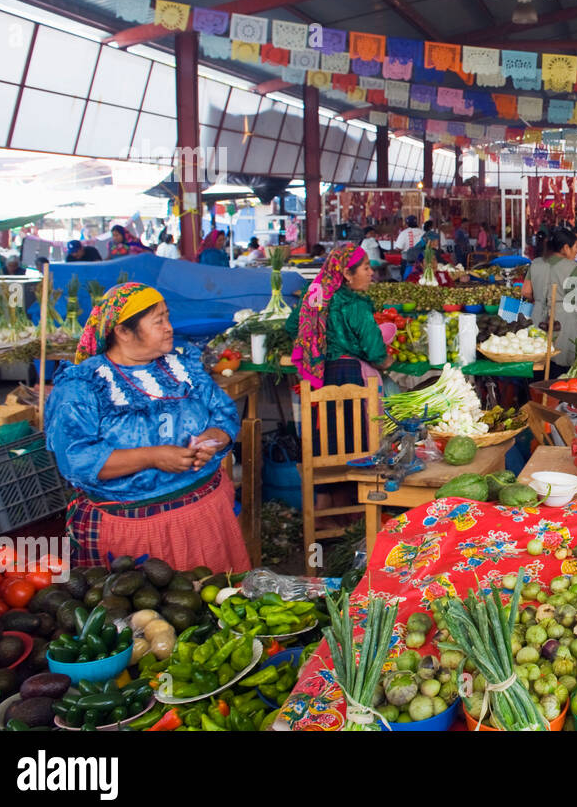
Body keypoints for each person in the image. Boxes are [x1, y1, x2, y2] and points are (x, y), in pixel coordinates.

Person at [44, 283, 249, 571]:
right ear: (123, 332)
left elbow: (223, 412)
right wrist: (153, 457)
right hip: (133, 535)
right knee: (147, 612)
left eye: (168, 317)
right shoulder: (83, 387)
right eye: (158, 321)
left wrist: (213, 439)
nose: (169, 328)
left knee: (216, 603)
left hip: (206, 517)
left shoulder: (183, 368)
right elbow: (77, 460)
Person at [287, 244, 394, 388]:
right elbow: (375, 351)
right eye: (366, 268)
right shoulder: (355, 305)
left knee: (324, 411)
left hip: (317, 376)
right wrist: (386, 360)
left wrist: (314, 346)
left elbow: (292, 326)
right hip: (349, 377)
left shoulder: (314, 296)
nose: (371, 273)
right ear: (347, 274)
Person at [522, 226, 577, 370]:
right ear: (565, 248)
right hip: (564, 317)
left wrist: (539, 298)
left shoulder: (536, 263)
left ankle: (537, 390)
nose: (576, 251)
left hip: (538, 315)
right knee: (562, 361)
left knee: (539, 357)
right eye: (574, 247)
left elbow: (525, 292)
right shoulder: (574, 267)